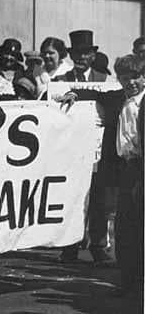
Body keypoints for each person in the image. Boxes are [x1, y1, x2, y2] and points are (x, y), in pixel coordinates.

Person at [61, 54, 143, 296]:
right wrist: (74, 95)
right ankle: (127, 280)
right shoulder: (118, 98)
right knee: (124, 226)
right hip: (125, 169)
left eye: (136, 78)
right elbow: (96, 95)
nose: (131, 83)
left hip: (142, 167)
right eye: (125, 79)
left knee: (140, 226)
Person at [56, 29, 112, 264]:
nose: (81, 57)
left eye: (86, 53)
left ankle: (98, 246)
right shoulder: (61, 80)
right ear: (70, 55)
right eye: (77, 53)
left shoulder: (105, 79)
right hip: (71, 148)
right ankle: (69, 247)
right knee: (72, 198)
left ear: (92, 55)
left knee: (99, 196)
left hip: (99, 147)